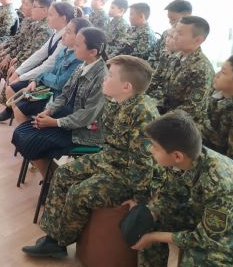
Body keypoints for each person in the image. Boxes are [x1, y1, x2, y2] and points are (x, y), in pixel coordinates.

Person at [22, 55, 159, 259]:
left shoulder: (144, 113)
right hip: (109, 159)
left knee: (79, 193)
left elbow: (144, 163)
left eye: (110, 75)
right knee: (62, 175)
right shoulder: (115, 100)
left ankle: (61, 241)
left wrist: (139, 200)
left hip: (127, 174)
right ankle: (52, 238)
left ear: (126, 87)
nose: (104, 78)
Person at [129, 110, 233, 267]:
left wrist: (155, 236)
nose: (150, 150)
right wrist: (149, 215)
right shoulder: (188, 159)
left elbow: (207, 239)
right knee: (155, 224)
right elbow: (172, 196)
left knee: (200, 257)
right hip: (226, 212)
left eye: (155, 147)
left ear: (177, 156)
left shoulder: (219, 186)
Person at [11, 28, 109, 176]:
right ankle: (51, 178)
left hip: (86, 130)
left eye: (78, 45)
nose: (74, 47)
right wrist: (48, 111)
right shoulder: (82, 66)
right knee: (21, 132)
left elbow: (87, 116)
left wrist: (54, 122)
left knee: (32, 141)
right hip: (69, 118)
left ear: (93, 52)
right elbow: (64, 94)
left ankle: (52, 181)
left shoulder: (102, 77)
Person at [0, 3, 76, 122]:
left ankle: (23, 121)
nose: (48, 18)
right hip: (43, 76)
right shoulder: (57, 34)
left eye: (51, 15)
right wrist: (18, 72)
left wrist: (21, 77)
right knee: (11, 88)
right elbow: (39, 54)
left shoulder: (65, 39)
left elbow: (48, 65)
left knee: (13, 90)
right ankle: (17, 116)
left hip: (49, 79)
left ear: (63, 18)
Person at [147, 16, 214, 124]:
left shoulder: (201, 69)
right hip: (165, 111)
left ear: (197, 40)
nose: (174, 36)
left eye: (180, 33)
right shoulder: (176, 57)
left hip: (183, 124)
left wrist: (158, 119)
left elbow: (191, 109)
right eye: (175, 32)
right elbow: (159, 80)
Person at [0, 0, 35, 81]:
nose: (22, 7)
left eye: (25, 4)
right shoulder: (26, 20)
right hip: (17, 51)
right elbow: (17, 38)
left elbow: (26, 46)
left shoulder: (37, 25)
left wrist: (10, 55)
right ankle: (7, 80)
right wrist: (7, 48)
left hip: (23, 56)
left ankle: (10, 81)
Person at [149, 0, 192, 69]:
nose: (169, 22)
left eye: (173, 19)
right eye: (169, 18)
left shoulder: (189, 40)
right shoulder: (166, 33)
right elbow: (154, 54)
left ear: (186, 16)